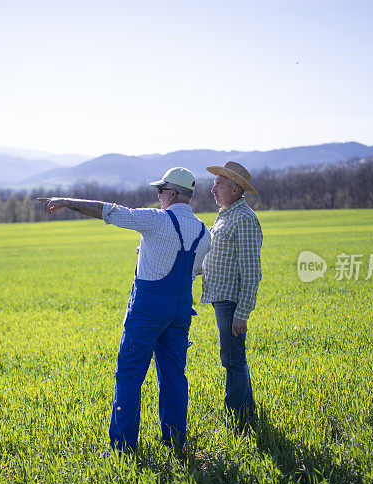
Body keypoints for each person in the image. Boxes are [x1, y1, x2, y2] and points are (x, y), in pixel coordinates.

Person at [38, 167, 211, 452]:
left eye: (161, 191)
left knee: (129, 376)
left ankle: (122, 446)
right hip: (180, 311)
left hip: (147, 311)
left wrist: (67, 201)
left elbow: (110, 211)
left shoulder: (156, 220)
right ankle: (175, 441)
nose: (158, 196)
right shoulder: (204, 233)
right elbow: (195, 269)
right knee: (174, 377)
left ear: (173, 193)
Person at [200, 161, 262, 426]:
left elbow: (251, 272)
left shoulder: (244, 219)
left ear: (235, 189)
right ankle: (246, 414)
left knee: (232, 360)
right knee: (233, 358)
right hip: (222, 299)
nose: (212, 189)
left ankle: (238, 419)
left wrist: (242, 314)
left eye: (218, 184)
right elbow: (216, 258)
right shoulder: (226, 215)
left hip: (231, 302)